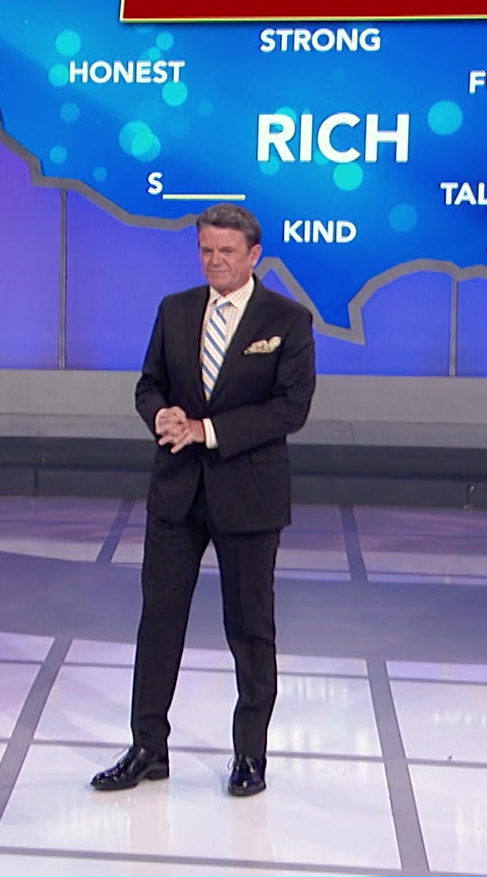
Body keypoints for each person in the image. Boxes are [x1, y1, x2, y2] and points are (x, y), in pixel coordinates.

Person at [91, 203, 316, 799]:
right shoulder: (175, 309)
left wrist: (207, 431)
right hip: (177, 494)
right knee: (159, 623)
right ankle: (148, 748)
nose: (214, 261)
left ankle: (249, 756)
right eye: (206, 250)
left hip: (249, 495)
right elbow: (149, 384)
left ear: (254, 255)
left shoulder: (288, 320)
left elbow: (290, 409)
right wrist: (160, 414)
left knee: (249, 628)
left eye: (226, 252)